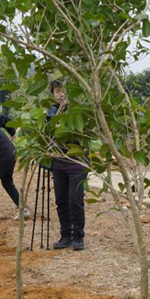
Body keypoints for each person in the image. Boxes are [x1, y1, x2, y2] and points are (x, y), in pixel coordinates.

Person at [47, 80, 87, 250]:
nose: (60, 94)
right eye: (57, 91)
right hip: (58, 163)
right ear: (52, 94)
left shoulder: (77, 110)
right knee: (61, 201)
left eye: (63, 91)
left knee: (75, 200)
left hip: (76, 162)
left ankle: (78, 236)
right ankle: (65, 236)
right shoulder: (50, 111)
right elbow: (47, 133)